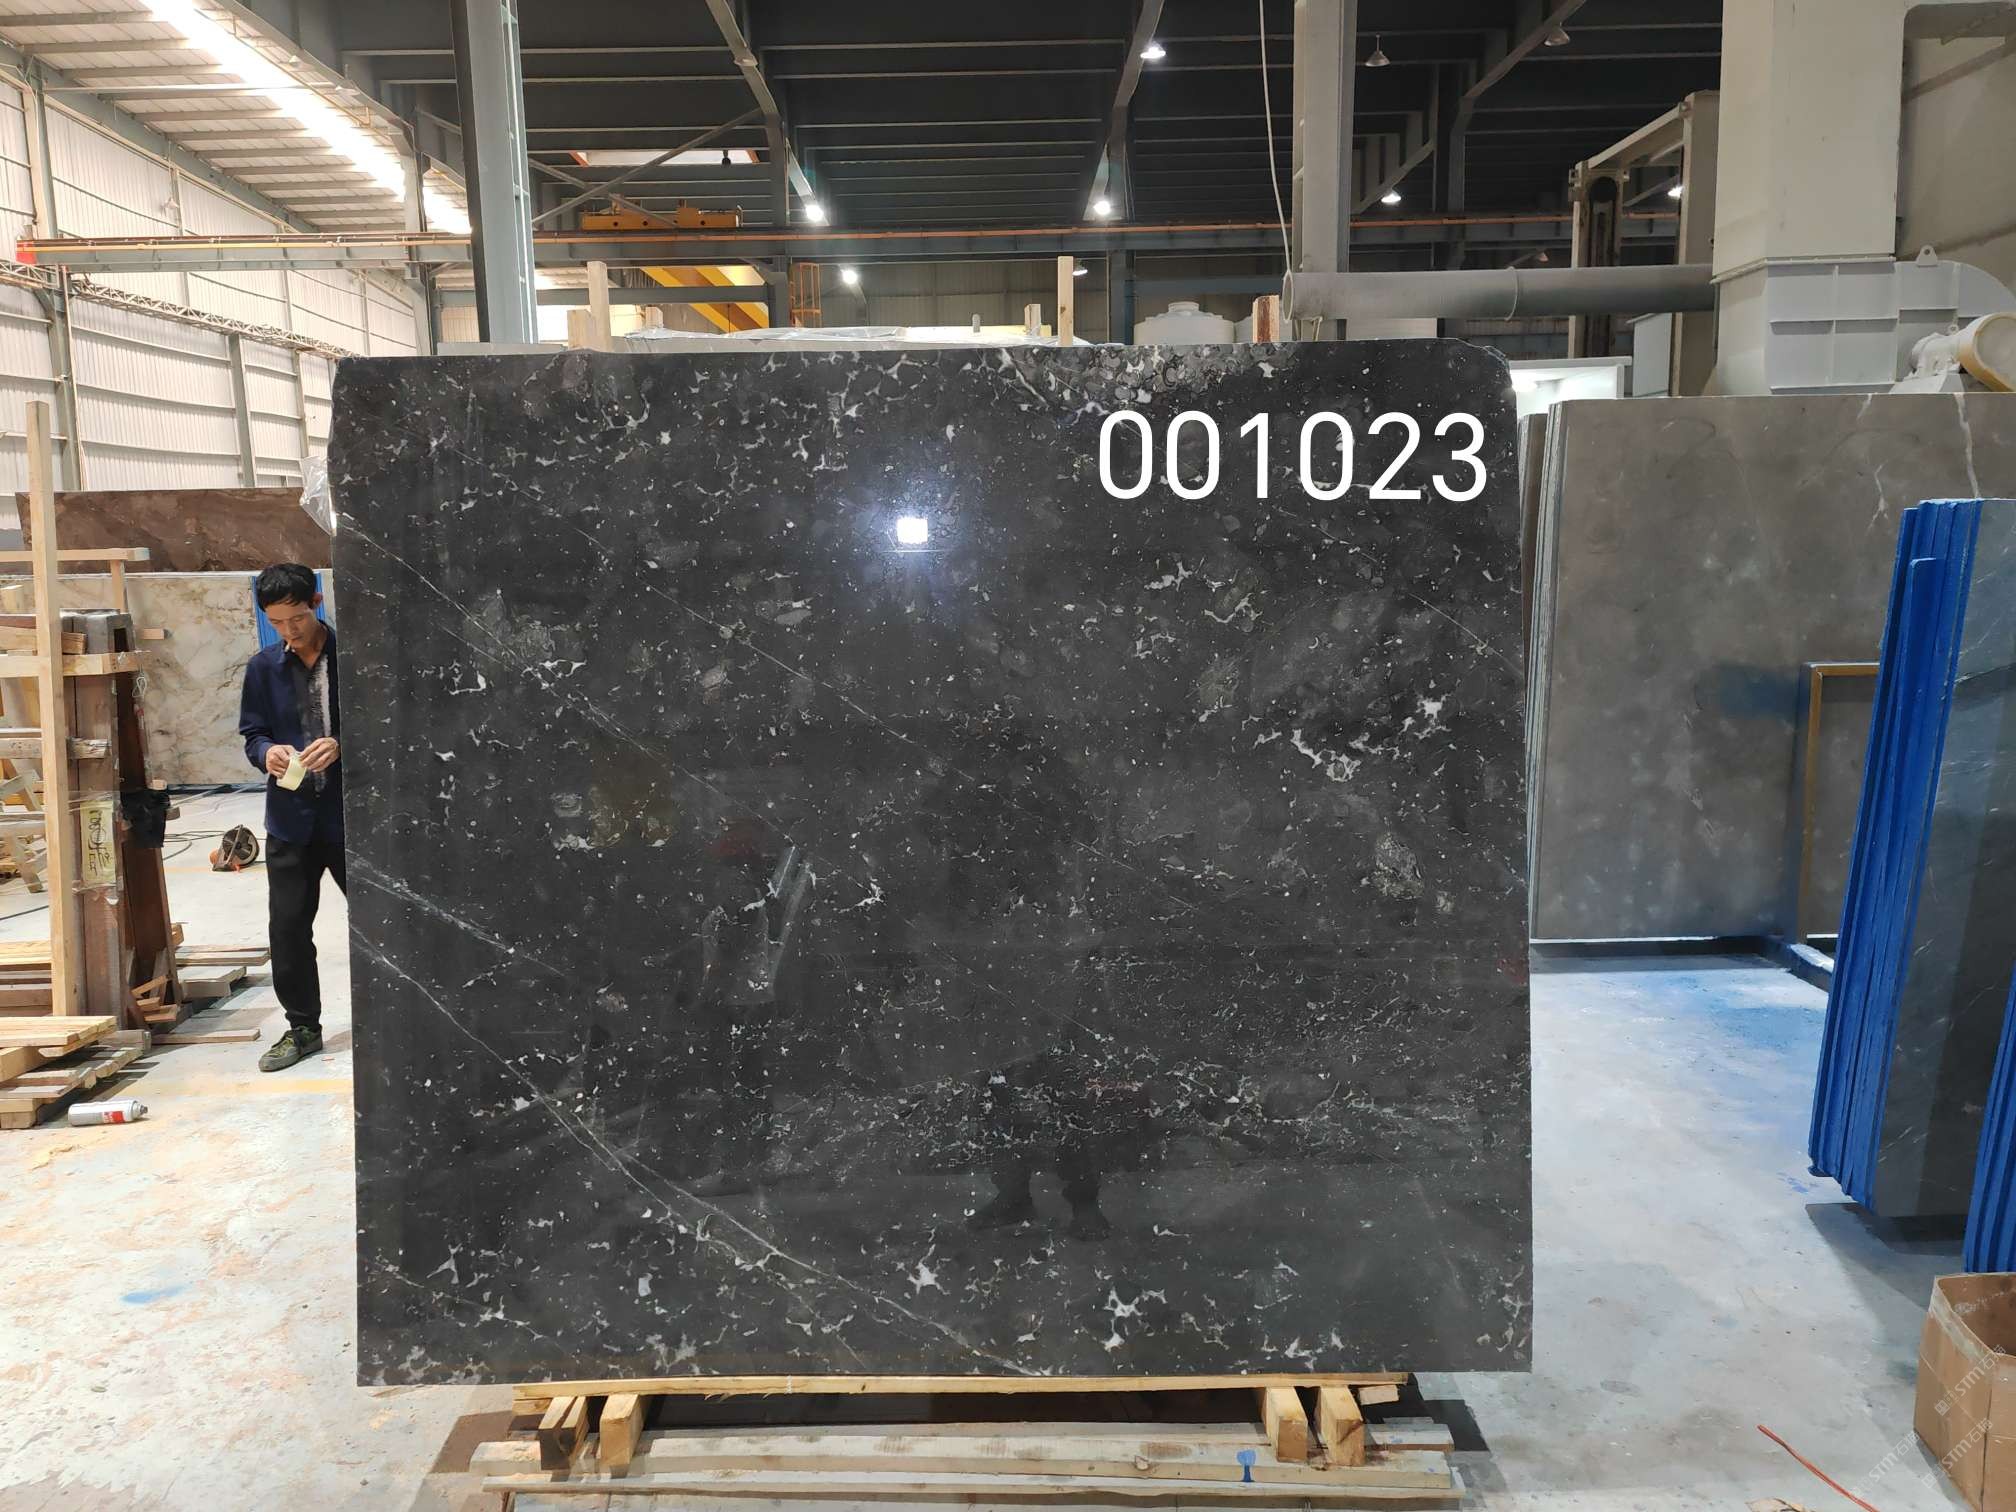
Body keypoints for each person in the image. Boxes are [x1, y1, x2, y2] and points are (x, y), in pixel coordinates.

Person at [238, 564, 345, 1072]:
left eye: (297, 618)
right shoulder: (263, 668)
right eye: (277, 622)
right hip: (289, 822)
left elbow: (391, 728)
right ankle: (303, 1028)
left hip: (351, 821)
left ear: (316, 603)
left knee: (385, 925)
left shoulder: (354, 658)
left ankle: (403, 1020)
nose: (289, 631)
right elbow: (252, 734)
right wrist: (267, 754)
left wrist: (342, 744)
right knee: (287, 930)